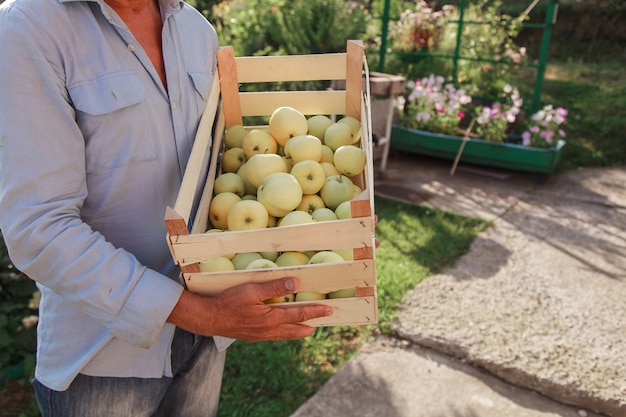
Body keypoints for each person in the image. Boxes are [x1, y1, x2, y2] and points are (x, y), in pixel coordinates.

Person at [0, 0, 333, 415]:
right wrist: (199, 314)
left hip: (207, 340)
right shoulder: (30, 26)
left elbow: (216, 170)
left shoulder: (196, 31)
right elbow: (38, 228)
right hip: (104, 357)